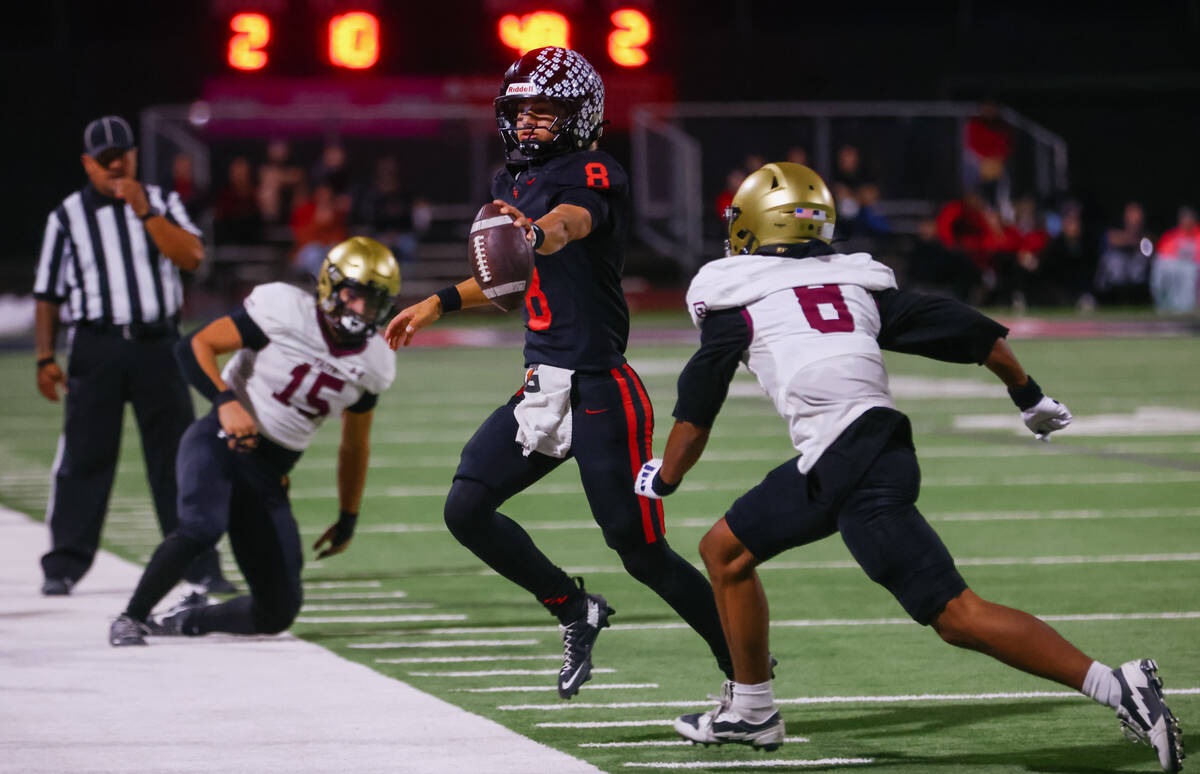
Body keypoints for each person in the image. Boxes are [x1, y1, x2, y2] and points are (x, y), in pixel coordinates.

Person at [632, 162, 1184, 773]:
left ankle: (1116, 685)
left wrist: (665, 477)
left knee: (955, 615)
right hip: (855, 451)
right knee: (726, 551)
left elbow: (696, 408)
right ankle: (752, 708)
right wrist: (1028, 395)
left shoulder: (736, 296)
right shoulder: (856, 284)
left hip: (854, 466)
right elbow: (970, 332)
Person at [384, 46, 732, 699]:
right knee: (466, 508)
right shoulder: (510, 183)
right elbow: (509, 275)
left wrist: (535, 233)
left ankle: (743, 667)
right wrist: (439, 302)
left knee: (640, 552)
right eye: (520, 110)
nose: (527, 122)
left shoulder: (596, 170)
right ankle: (575, 608)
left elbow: (569, 223)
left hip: (601, 388)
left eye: (544, 111)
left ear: (581, 115)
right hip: (543, 385)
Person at [108, 237, 400, 646]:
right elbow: (195, 346)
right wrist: (226, 402)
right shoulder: (284, 310)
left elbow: (355, 445)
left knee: (278, 609)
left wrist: (348, 515)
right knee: (201, 527)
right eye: (355, 295)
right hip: (220, 440)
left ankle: (190, 619)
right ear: (330, 285)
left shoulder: (375, 362)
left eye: (373, 301)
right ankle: (131, 617)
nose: (361, 309)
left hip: (268, 474)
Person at [32, 115, 230, 596]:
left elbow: (191, 257)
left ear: (135, 156)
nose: (116, 167)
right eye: (105, 161)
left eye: (122, 156)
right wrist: (44, 356)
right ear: (88, 164)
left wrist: (145, 212)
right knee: (84, 457)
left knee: (179, 457)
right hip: (96, 345)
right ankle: (64, 563)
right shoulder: (67, 216)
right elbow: (48, 293)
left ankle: (198, 561)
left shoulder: (162, 202)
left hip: (158, 344)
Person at [1150, 206, 1200, 314]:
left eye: (1189, 218)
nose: (1187, 222)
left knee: (1190, 272)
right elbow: (1163, 255)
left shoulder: (1198, 235)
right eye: (1184, 218)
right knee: (1160, 267)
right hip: (1175, 267)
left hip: (1194, 268)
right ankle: (1162, 304)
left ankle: (1187, 307)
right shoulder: (1172, 235)